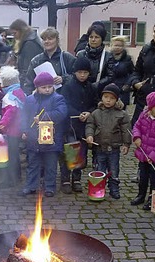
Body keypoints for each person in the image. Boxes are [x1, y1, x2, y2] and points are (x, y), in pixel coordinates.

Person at [21, 72, 67, 197]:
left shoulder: (58, 98)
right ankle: (31, 186)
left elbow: (61, 113)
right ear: (37, 88)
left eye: (49, 86)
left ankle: (49, 187)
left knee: (50, 165)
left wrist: (43, 117)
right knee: (32, 164)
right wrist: (24, 130)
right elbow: (24, 116)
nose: (47, 89)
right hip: (33, 138)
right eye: (44, 87)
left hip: (51, 138)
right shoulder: (30, 100)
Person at [85, 84, 131, 199]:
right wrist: (89, 135)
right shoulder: (96, 113)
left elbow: (126, 130)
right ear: (102, 97)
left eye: (111, 98)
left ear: (116, 100)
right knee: (99, 170)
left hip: (113, 148)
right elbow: (90, 125)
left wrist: (126, 144)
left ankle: (114, 188)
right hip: (99, 148)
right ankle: (99, 188)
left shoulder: (122, 114)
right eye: (106, 97)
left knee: (114, 170)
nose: (108, 100)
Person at [59, 57, 97, 194]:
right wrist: (77, 113)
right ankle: (65, 179)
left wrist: (89, 113)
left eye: (85, 72)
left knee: (81, 152)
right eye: (80, 72)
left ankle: (76, 179)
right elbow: (64, 104)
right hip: (70, 125)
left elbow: (95, 104)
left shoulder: (92, 87)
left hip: (84, 126)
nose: (82, 75)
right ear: (75, 72)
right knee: (69, 151)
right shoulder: (68, 86)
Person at [24, 27, 76, 95]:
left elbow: (78, 77)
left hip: (63, 100)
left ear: (57, 40)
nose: (46, 41)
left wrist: (63, 79)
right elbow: (29, 84)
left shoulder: (67, 58)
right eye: (44, 39)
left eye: (50, 39)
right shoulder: (36, 61)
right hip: (41, 101)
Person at [0, 66, 26, 188]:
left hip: (12, 129)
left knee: (10, 154)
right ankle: (17, 176)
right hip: (19, 127)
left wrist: (3, 124)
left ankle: (10, 179)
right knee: (15, 153)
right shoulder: (20, 92)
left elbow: (10, 111)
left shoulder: (9, 96)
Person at [76, 25, 113, 94]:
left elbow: (110, 76)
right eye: (91, 37)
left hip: (100, 93)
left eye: (96, 37)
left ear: (102, 39)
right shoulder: (80, 54)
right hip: (81, 92)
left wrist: (95, 86)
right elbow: (75, 73)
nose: (93, 40)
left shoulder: (108, 56)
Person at [9, 19, 43, 91]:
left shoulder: (29, 44)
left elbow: (27, 69)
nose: (14, 36)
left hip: (30, 84)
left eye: (15, 33)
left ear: (21, 31)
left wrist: (25, 89)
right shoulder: (29, 42)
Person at [110, 36, 135, 105]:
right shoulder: (108, 57)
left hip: (123, 89)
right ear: (112, 46)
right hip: (110, 88)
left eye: (120, 46)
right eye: (116, 45)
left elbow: (132, 73)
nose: (117, 47)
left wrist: (128, 84)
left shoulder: (127, 59)